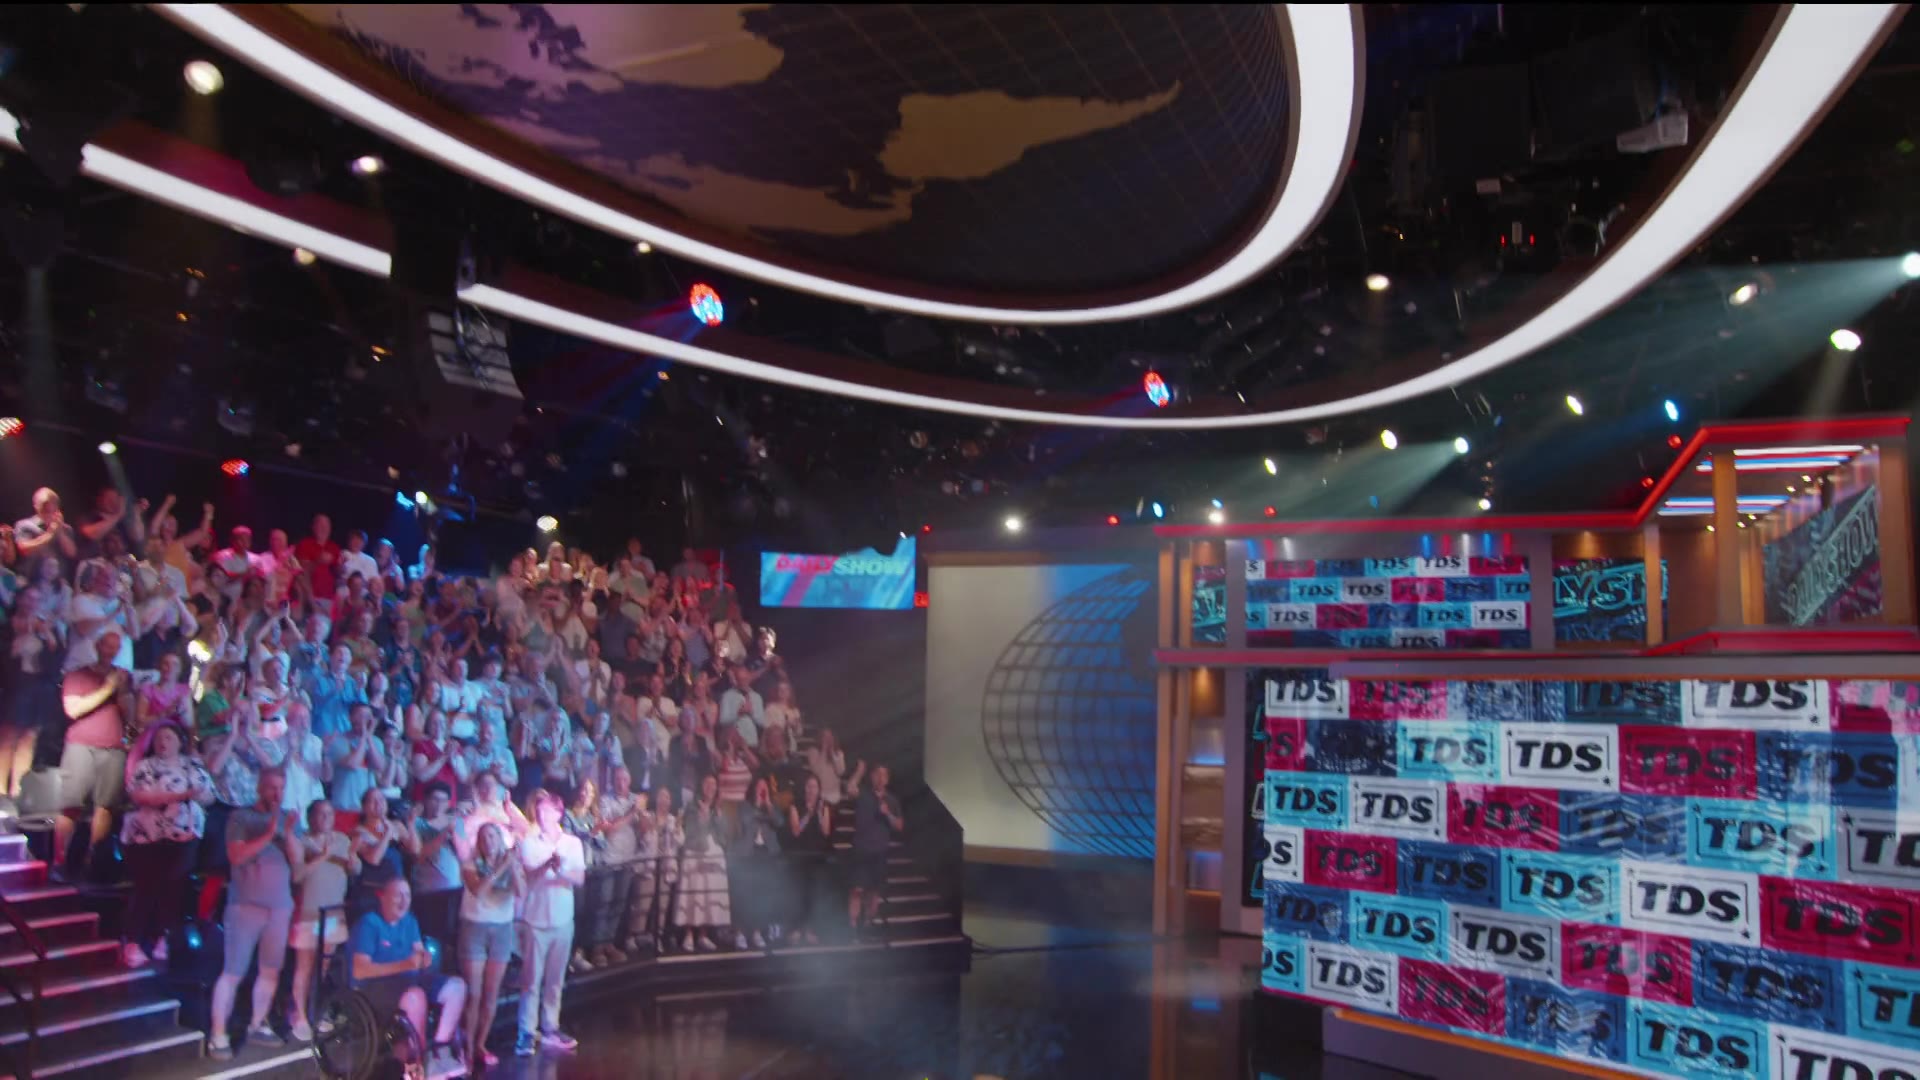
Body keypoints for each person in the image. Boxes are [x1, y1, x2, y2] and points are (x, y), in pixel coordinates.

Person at [207, 767, 298, 1060]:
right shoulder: (241, 817)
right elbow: (236, 856)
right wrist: (269, 834)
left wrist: (287, 834)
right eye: (271, 787)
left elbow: (297, 865)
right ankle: (218, 1035)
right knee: (233, 971)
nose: (277, 794)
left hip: (279, 907)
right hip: (245, 907)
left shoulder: (287, 819)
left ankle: (258, 1024)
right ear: (259, 787)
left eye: (281, 788)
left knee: (270, 970)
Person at [119, 720, 214, 966]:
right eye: (159, 738)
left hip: (184, 837)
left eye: (169, 738)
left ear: (180, 742)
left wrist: (190, 797)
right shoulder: (145, 766)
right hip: (147, 838)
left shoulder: (191, 765)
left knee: (174, 888)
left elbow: (207, 795)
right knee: (146, 887)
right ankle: (133, 943)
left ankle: (164, 938)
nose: (163, 742)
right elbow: (140, 796)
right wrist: (181, 795)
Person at [348, 877, 468, 1071]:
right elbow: (360, 970)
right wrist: (405, 965)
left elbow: (418, 952)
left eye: (407, 896)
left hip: (408, 979)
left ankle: (438, 1052)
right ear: (383, 897)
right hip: (375, 986)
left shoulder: (410, 921)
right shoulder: (369, 924)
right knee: (415, 996)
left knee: (456, 987)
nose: (403, 901)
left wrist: (424, 957)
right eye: (398, 895)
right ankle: (417, 1063)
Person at [57, 629, 135, 881]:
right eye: (107, 645)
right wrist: (107, 688)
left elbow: (131, 716)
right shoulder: (78, 675)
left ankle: (92, 863)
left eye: (116, 647)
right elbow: (73, 709)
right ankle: (59, 862)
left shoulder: (123, 677)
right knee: (70, 806)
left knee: (106, 807)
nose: (111, 651)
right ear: (97, 646)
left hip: (113, 747)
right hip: (81, 745)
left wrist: (122, 692)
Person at [516, 789, 585, 1057]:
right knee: (531, 981)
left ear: (559, 812)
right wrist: (547, 865)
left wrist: (560, 869)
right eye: (540, 811)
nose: (543, 816)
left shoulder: (572, 843)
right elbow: (529, 875)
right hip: (536, 920)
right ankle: (526, 1032)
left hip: (563, 920)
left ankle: (550, 1028)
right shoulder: (529, 842)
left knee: (555, 980)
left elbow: (579, 878)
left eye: (548, 811)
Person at [288, 799, 356, 1042]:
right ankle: (299, 1015)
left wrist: (354, 860)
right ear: (310, 818)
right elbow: (297, 876)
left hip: (334, 914)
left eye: (329, 814)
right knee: (305, 967)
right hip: (309, 913)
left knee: (323, 967)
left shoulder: (343, 840)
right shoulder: (301, 841)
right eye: (320, 814)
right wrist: (323, 856)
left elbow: (354, 870)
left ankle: (316, 1010)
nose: (325, 818)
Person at [458, 821, 523, 1067]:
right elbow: (479, 890)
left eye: (493, 837)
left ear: (500, 840)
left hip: (502, 928)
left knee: (491, 993)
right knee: (473, 993)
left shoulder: (511, 862)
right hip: (475, 927)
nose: (489, 842)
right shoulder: (470, 863)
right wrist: (501, 867)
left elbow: (522, 891)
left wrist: (513, 866)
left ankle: (480, 1044)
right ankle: (466, 1047)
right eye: (484, 838)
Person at [673, 774, 733, 953]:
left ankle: (703, 934)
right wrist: (704, 819)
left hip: (713, 857)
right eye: (707, 783)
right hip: (695, 854)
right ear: (702, 786)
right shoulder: (692, 806)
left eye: (713, 784)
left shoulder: (717, 808)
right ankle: (689, 934)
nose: (710, 787)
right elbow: (690, 832)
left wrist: (718, 815)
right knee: (694, 895)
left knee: (708, 897)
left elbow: (724, 836)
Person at [849, 764, 904, 939]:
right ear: (872, 777)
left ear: (887, 779)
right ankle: (852, 928)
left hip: (880, 852)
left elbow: (899, 825)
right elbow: (850, 789)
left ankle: (868, 925)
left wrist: (887, 814)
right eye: (877, 774)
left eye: (883, 775)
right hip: (861, 850)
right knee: (857, 889)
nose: (880, 778)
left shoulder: (892, 800)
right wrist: (859, 772)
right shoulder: (864, 794)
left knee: (874, 891)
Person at [626, 785, 680, 954]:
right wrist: (646, 826)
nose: (664, 800)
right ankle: (631, 936)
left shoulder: (673, 820)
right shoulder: (648, 816)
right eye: (661, 796)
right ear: (656, 799)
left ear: (670, 801)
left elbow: (680, 842)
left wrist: (678, 830)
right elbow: (642, 838)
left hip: (666, 868)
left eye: (667, 797)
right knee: (642, 903)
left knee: (662, 906)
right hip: (648, 867)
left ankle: (656, 937)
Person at [731, 776, 783, 950]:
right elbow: (746, 820)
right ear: (753, 788)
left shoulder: (772, 807)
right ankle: (740, 933)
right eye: (759, 786)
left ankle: (757, 932)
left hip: (765, 854)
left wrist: (767, 805)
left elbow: (779, 822)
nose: (762, 789)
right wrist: (759, 808)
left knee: (761, 895)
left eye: (765, 787)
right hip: (748, 854)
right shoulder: (744, 806)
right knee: (745, 894)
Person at [785, 773, 834, 945]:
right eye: (809, 786)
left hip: (817, 857)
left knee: (813, 895)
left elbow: (826, 831)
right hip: (800, 857)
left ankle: (810, 930)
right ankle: (796, 929)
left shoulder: (824, 807)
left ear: (819, 789)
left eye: (815, 787)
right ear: (804, 788)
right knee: (799, 894)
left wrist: (819, 814)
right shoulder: (795, 806)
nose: (811, 790)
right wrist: (808, 814)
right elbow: (796, 830)